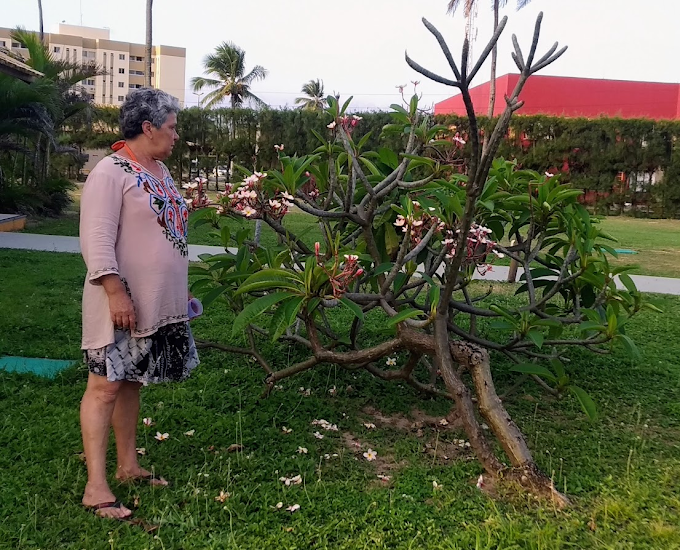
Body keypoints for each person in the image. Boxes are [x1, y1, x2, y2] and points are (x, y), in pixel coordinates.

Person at [79, 88, 199, 520]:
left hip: (154, 303)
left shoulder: (160, 170)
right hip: (119, 302)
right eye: (171, 127)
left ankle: (128, 466)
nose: (175, 135)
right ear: (147, 128)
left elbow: (168, 235)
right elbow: (95, 240)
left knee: (131, 382)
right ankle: (96, 487)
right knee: (105, 385)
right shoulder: (111, 173)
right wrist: (115, 291)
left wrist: (179, 289)